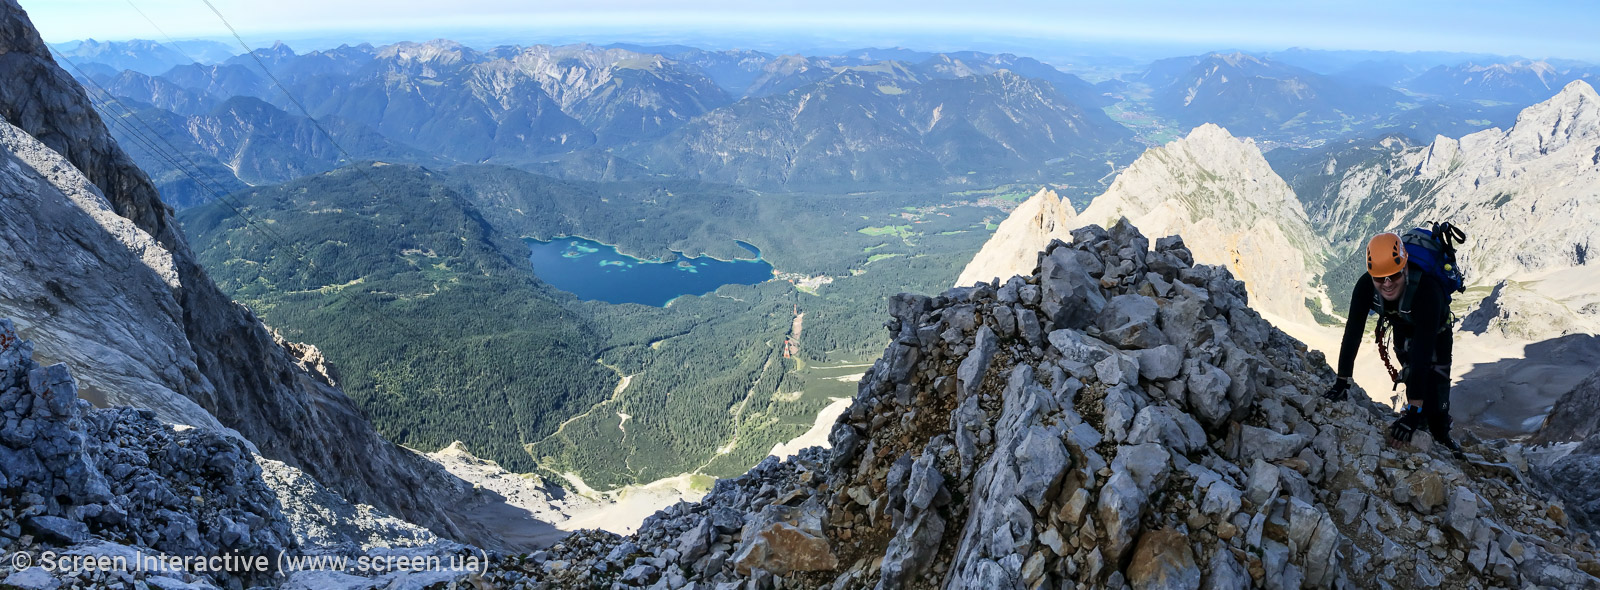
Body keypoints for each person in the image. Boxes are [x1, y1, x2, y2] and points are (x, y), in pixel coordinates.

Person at [1323, 232, 1463, 457]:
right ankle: (1420, 416)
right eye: (1380, 278)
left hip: (1436, 333)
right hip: (1402, 326)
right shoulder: (1365, 286)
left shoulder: (1428, 291)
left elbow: (1423, 351)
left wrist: (1413, 411)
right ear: (1371, 276)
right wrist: (1342, 381)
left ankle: (1441, 434)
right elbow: (1352, 333)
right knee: (1410, 374)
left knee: (1436, 391)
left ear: (1405, 268)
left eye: (1394, 276)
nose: (1387, 284)